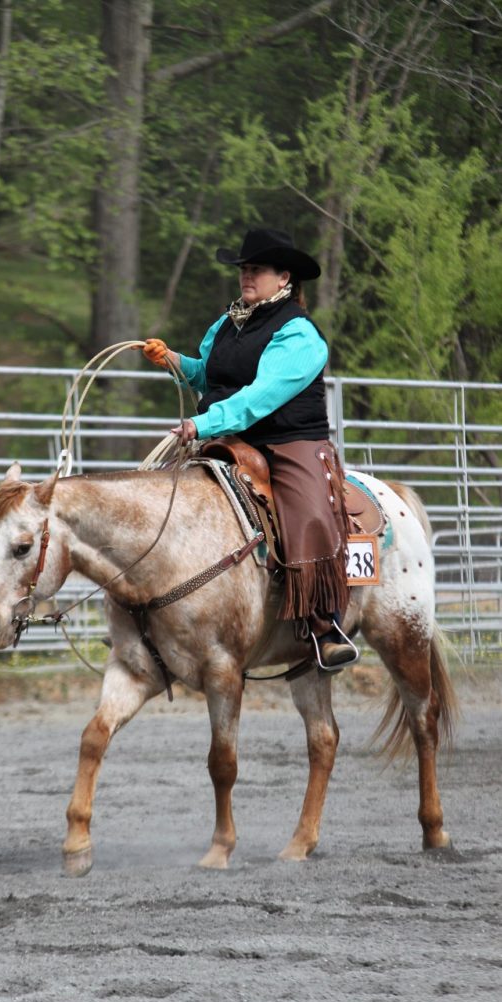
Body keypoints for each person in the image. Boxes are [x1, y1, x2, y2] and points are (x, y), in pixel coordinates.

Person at [142, 226, 356, 670]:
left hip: (289, 442)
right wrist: (173, 362)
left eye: (257, 269)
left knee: (307, 513)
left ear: (285, 279)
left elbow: (259, 397)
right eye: (244, 268)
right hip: (231, 438)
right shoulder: (228, 322)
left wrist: (202, 422)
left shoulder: (299, 335)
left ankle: (324, 623)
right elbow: (209, 376)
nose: (246, 275)